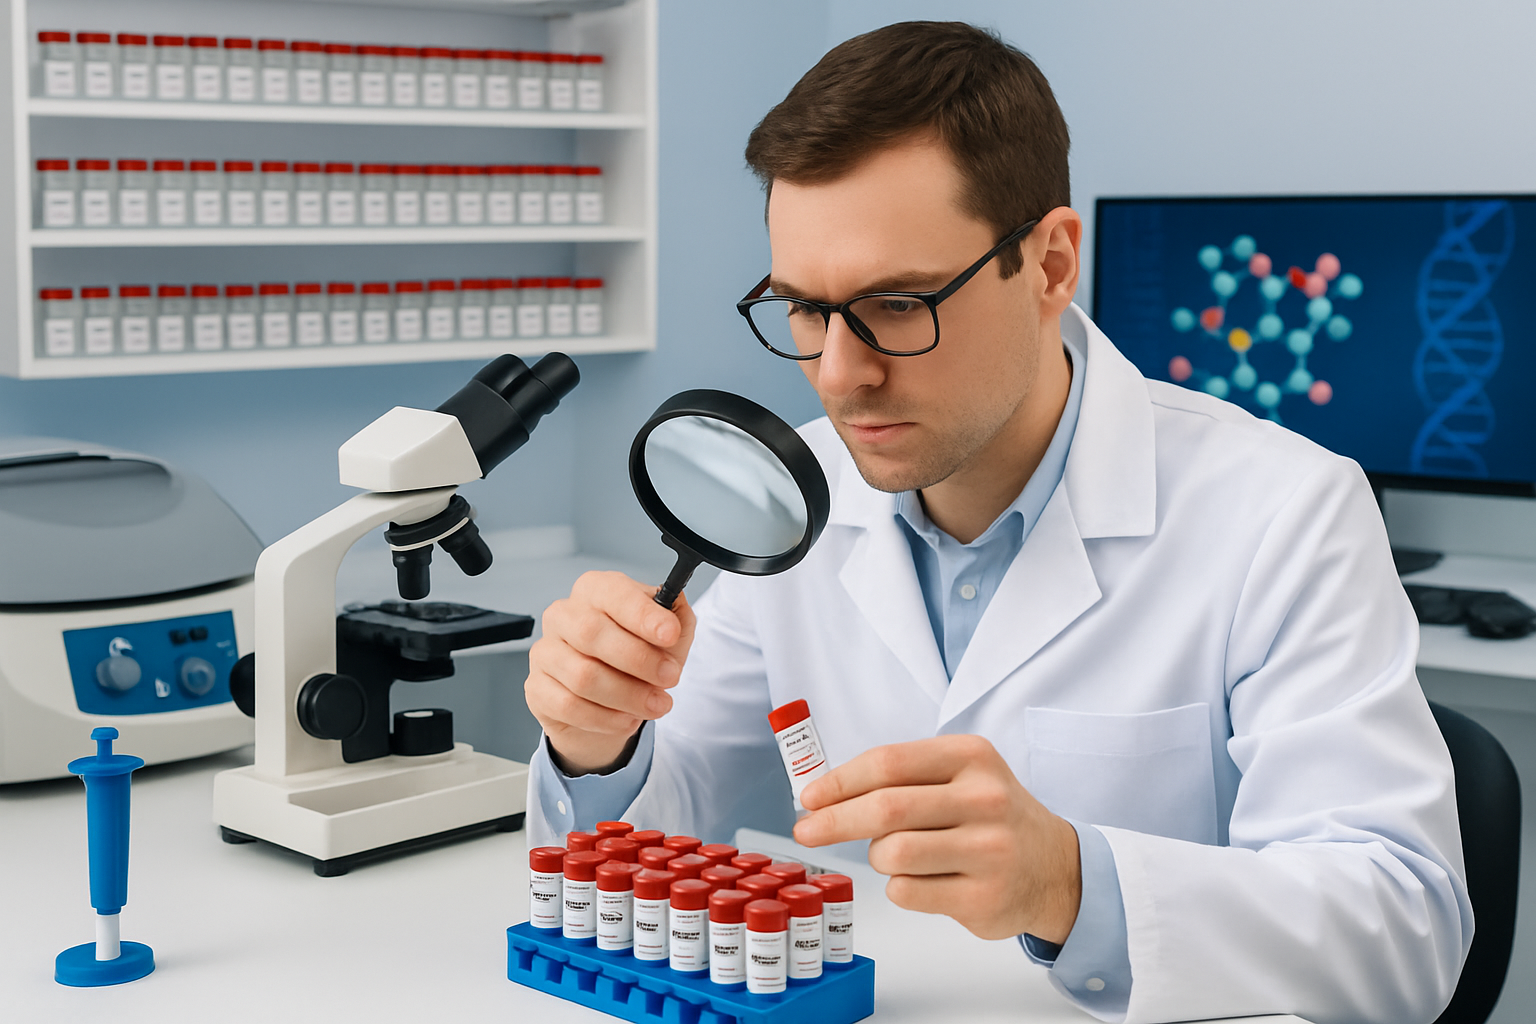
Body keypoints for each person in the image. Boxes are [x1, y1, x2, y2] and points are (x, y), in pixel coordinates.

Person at [523, 20, 1471, 1024]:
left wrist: (1070, 879)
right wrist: (598, 741)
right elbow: (652, 815)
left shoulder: (1285, 511)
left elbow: (1404, 933)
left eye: (897, 303)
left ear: (1052, 265)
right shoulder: (800, 496)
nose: (840, 376)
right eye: (803, 307)